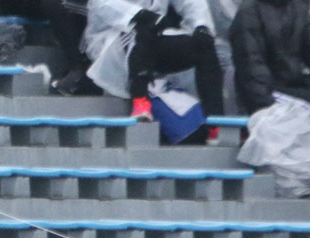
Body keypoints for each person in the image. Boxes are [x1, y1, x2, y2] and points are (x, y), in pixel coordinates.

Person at [84, 0, 224, 142]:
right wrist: (141, 14)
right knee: (143, 27)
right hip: (112, 42)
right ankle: (140, 100)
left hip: (153, 39)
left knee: (205, 44)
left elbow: (192, 3)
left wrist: (201, 26)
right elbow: (100, 3)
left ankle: (215, 122)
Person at [230, 0, 310, 114]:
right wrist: (268, 105)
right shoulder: (248, 12)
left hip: (294, 87)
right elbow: (251, 68)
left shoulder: (299, 7)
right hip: (266, 94)